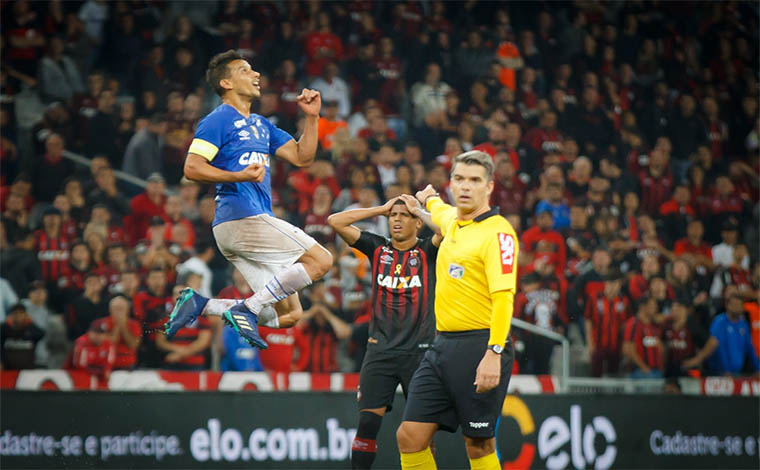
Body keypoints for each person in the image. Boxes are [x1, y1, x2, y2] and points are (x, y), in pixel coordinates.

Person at [164, 50, 333, 350]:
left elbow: (301, 156)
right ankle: (248, 308)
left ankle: (201, 305)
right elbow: (191, 168)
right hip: (241, 217)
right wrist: (238, 176)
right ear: (226, 82)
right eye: (245, 70)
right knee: (322, 260)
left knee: (291, 314)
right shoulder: (217, 120)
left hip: (241, 227)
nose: (256, 75)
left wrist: (312, 117)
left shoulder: (261, 123)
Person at [396, 150, 518, 470]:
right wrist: (426, 199)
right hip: (442, 346)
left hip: (481, 344)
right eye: (459, 179)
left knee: (478, 445)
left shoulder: (498, 233)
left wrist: (494, 351)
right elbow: (439, 213)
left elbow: (505, 298)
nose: (465, 187)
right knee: (409, 436)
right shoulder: (453, 220)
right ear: (451, 182)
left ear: (489, 187)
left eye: (475, 180)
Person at [328, 193, 441, 469]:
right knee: (367, 422)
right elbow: (335, 221)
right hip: (380, 350)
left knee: (421, 432)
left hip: (421, 356)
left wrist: (422, 210)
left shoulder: (428, 250)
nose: (398, 220)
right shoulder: (377, 248)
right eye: (394, 216)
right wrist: (380, 209)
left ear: (418, 224)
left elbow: (448, 230)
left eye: (405, 215)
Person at [683, 293, 760, 375]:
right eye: (734, 304)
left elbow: (750, 348)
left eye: (739, 305)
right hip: (719, 373)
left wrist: (758, 369)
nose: (737, 307)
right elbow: (717, 346)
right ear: (727, 305)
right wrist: (725, 370)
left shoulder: (743, 325)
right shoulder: (720, 322)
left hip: (738, 373)